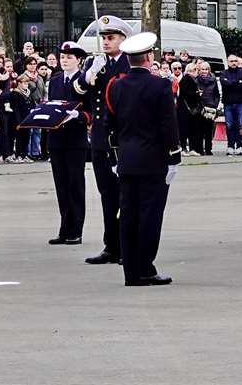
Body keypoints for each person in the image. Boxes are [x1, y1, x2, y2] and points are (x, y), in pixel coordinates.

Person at [104, 32, 181, 286]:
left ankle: (130, 272)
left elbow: (110, 125)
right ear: (149, 57)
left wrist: (115, 157)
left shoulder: (116, 86)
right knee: (149, 216)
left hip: (126, 159)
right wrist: (174, 157)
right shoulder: (160, 86)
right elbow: (168, 125)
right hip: (153, 161)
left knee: (128, 215)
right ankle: (145, 267)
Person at [73, 15, 134, 266]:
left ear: (123, 39)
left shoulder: (128, 67)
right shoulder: (99, 64)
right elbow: (78, 90)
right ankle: (111, 245)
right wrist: (88, 75)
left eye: (111, 38)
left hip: (119, 141)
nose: (106, 42)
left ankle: (126, 246)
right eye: (104, 38)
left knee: (124, 196)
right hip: (99, 140)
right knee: (106, 194)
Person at [45, 42, 91, 246]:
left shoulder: (85, 80)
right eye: (62, 57)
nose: (64, 60)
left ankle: (76, 230)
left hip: (75, 139)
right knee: (61, 185)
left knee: (75, 185)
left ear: (79, 60)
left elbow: (90, 111)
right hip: (56, 139)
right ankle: (64, 228)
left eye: (69, 57)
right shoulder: (54, 81)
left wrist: (78, 116)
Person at [219, 54, 242, 156]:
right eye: (231, 61)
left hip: (240, 103)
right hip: (228, 103)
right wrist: (237, 82)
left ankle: (239, 146)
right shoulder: (224, 73)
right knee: (229, 125)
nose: (233, 63)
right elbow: (224, 84)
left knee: (240, 124)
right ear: (228, 62)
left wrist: (231, 83)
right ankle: (230, 146)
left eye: (235, 61)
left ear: (238, 62)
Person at [194, 60, 221, 156]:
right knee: (200, 130)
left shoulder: (213, 80)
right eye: (202, 69)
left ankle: (208, 149)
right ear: (199, 70)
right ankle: (200, 149)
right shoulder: (196, 80)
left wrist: (215, 104)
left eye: (206, 69)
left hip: (211, 107)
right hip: (200, 108)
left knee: (209, 131)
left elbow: (217, 94)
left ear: (209, 70)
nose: (204, 71)